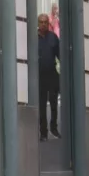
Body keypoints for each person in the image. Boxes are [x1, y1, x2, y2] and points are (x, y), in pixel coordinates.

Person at [37, 13, 61, 141]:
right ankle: (43, 132)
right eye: (41, 22)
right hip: (40, 77)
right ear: (37, 24)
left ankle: (54, 127)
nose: (43, 24)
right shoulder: (34, 38)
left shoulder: (53, 37)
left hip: (52, 75)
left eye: (46, 22)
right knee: (41, 105)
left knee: (53, 104)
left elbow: (60, 55)